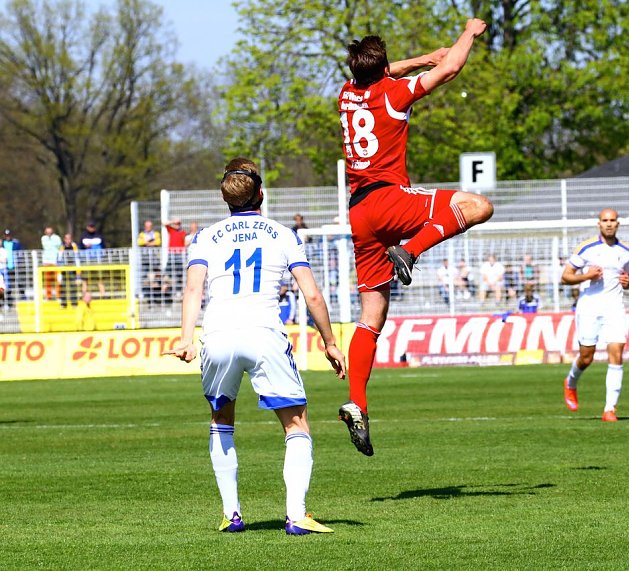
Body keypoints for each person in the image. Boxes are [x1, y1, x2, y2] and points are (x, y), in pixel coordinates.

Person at [163, 158, 346, 535]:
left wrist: (185, 339)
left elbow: (193, 290)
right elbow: (310, 293)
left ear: (224, 197)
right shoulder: (282, 233)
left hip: (217, 336)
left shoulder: (205, 237)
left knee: (221, 419)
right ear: (260, 193)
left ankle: (231, 514)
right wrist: (329, 342)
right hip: (264, 333)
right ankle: (296, 515)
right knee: (297, 423)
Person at [336, 18, 493, 455]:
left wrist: (424, 57)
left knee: (371, 317)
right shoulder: (394, 93)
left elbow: (382, 71)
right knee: (477, 206)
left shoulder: (347, 94)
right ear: (383, 68)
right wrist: (467, 35)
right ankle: (411, 250)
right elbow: (451, 71)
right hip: (391, 200)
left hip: (359, 213)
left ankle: (358, 403)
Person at [561, 208, 629, 422]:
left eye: (612, 220)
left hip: (615, 307)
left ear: (618, 224)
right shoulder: (587, 248)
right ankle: (571, 382)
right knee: (586, 357)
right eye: (605, 220)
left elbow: (628, 279)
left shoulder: (626, 251)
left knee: (617, 353)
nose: (609, 224)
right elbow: (565, 277)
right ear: (599, 224)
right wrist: (587, 275)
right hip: (590, 307)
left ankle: (610, 409)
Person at [163, 218, 187, 294]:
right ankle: (166, 288)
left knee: (179, 273)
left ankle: (178, 291)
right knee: (168, 272)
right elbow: (164, 223)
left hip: (180, 255)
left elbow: (185, 242)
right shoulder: (171, 230)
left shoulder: (183, 232)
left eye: (178, 224)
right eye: (176, 224)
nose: (177, 225)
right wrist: (173, 221)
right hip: (172, 254)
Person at [58, 233, 81, 308]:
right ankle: (63, 304)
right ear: (64, 239)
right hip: (64, 269)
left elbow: (77, 259)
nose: (68, 240)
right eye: (66, 238)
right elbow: (59, 259)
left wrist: (78, 274)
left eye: (69, 238)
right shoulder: (62, 247)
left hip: (72, 269)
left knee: (73, 287)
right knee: (63, 287)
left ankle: (74, 303)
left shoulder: (74, 246)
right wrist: (59, 273)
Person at [41, 226, 62, 300]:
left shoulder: (57, 238)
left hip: (55, 261)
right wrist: (44, 261)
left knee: (58, 280)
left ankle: (58, 296)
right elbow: (45, 249)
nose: (49, 233)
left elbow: (59, 249)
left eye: (50, 231)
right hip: (47, 262)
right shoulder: (43, 238)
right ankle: (48, 296)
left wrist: (58, 261)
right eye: (47, 232)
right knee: (48, 281)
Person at [2, 229, 23, 303]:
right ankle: (8, 298)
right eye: (6, 235)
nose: (8, 237)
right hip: (6, 267)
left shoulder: (16, 243)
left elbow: (21, 253)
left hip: (15, 265)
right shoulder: (2, 243)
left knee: (19, 281)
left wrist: (20, 262)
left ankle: (22, 295)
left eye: (9, 235)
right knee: (7, 283)